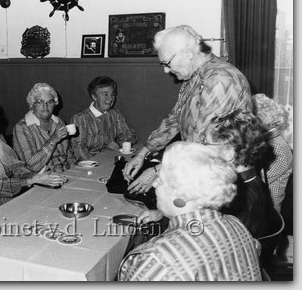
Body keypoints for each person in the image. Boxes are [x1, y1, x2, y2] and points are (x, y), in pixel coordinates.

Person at [123, 24, 252, 194]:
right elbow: (174, 119)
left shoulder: (221, 80)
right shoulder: (194, 76)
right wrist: (143, 153)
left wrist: (159, 170)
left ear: (188, 54)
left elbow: (209, 147)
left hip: (227, 182)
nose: (166, 70)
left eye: (167, 63)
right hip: (202, 172)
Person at [118, 141, 261, 281]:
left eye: (160, 180)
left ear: (181, 195)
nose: (154, 184)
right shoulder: (235, 225)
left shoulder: (156, 260)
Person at [201, 110, 279, 240]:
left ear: (228, 153)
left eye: (205, 143)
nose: (201, 147)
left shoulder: (235, 197)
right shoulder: (252, 181)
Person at [70, 76, 137, 161]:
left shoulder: (115, 114)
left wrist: (120, 143)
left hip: (110, 158)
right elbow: (78, 148)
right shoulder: (80, 119)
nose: (110, 99)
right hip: (88, 163)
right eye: (105, 94)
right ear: (94, 97)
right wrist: (93, 164)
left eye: (112, 94)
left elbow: (128, 135)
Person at [12, 83, 75, 173]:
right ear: (32, 104)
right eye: (40, 102)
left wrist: (77, 170)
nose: (45, 106)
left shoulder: (58, 122)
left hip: (65, 173)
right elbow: (32, 166)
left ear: (54, 104)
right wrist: (53, 140)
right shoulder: (22, 128)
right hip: (41, 179)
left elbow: (68, 154)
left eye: (50, 102)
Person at [252, 93, 293, 212]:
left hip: (269, 214)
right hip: (259, 206)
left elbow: (258, 182)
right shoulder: (271, 142)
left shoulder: (277, 147)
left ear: (260, 120)